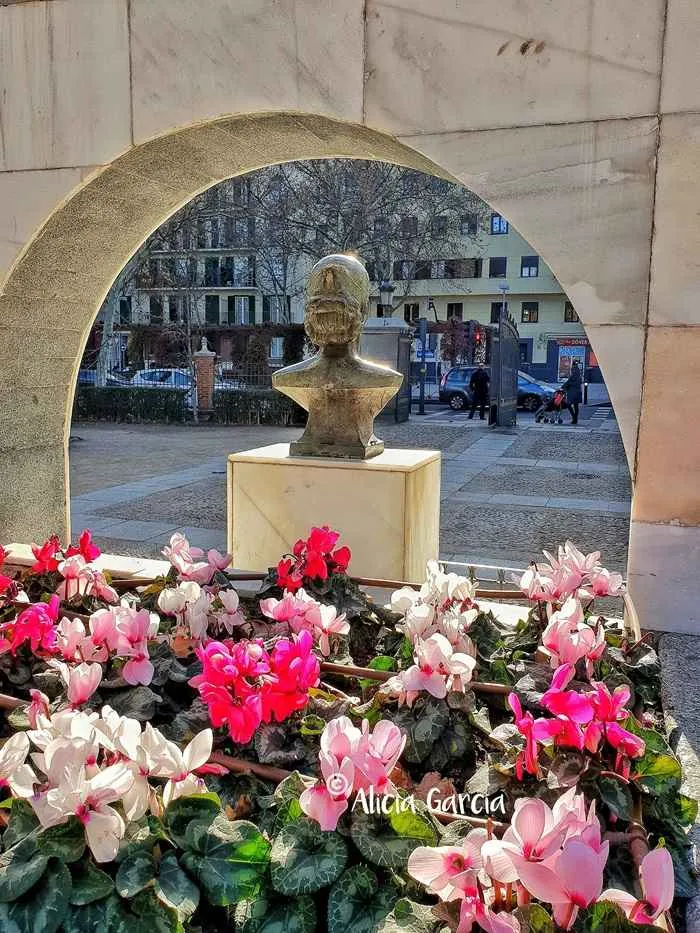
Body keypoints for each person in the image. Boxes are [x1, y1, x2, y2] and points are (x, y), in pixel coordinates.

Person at [561, 359, 582, 424]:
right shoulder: (578, 374)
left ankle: (574, 417)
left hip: (573, 393)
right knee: (576, 406)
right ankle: (575, 419)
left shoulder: (573, 370)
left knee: (568, 405)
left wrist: (563, 386)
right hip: (578, 392)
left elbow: (569, 381)